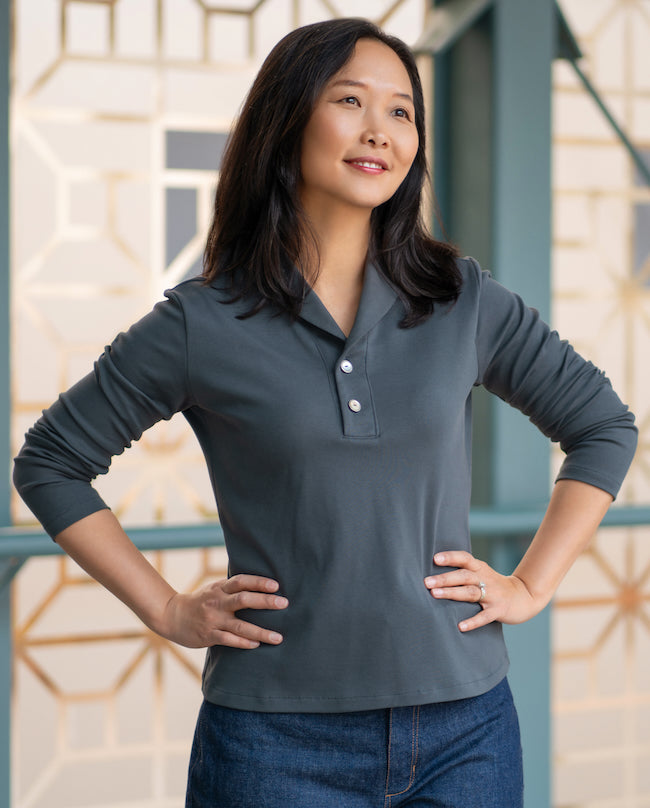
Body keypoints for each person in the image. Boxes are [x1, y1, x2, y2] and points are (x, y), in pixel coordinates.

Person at [14, 17, 637, 808]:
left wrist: (531, 586)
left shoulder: (462, 302)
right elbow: (51, 463)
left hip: (467, 730)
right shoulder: (201, 324)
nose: (381, 129)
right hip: (274, 746)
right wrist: (167, 608)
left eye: (402, 110)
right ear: (288, 120)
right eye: (351, 100)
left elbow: (604, 427)